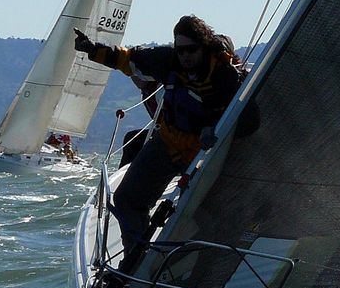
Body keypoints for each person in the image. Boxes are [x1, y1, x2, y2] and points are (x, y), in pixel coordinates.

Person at [73, 14, 247, 272]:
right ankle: (136, 263)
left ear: (204, 46)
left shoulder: (227, 76)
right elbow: (128, 59)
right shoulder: (168, 59)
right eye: (180, 49)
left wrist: (217, 129)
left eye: (191, 50)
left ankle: (202, 270)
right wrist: (92, 49)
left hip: (204, 155)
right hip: (168, 142)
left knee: (206, 214)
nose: (185, 56)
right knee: (127, 199)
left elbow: (250, 119)